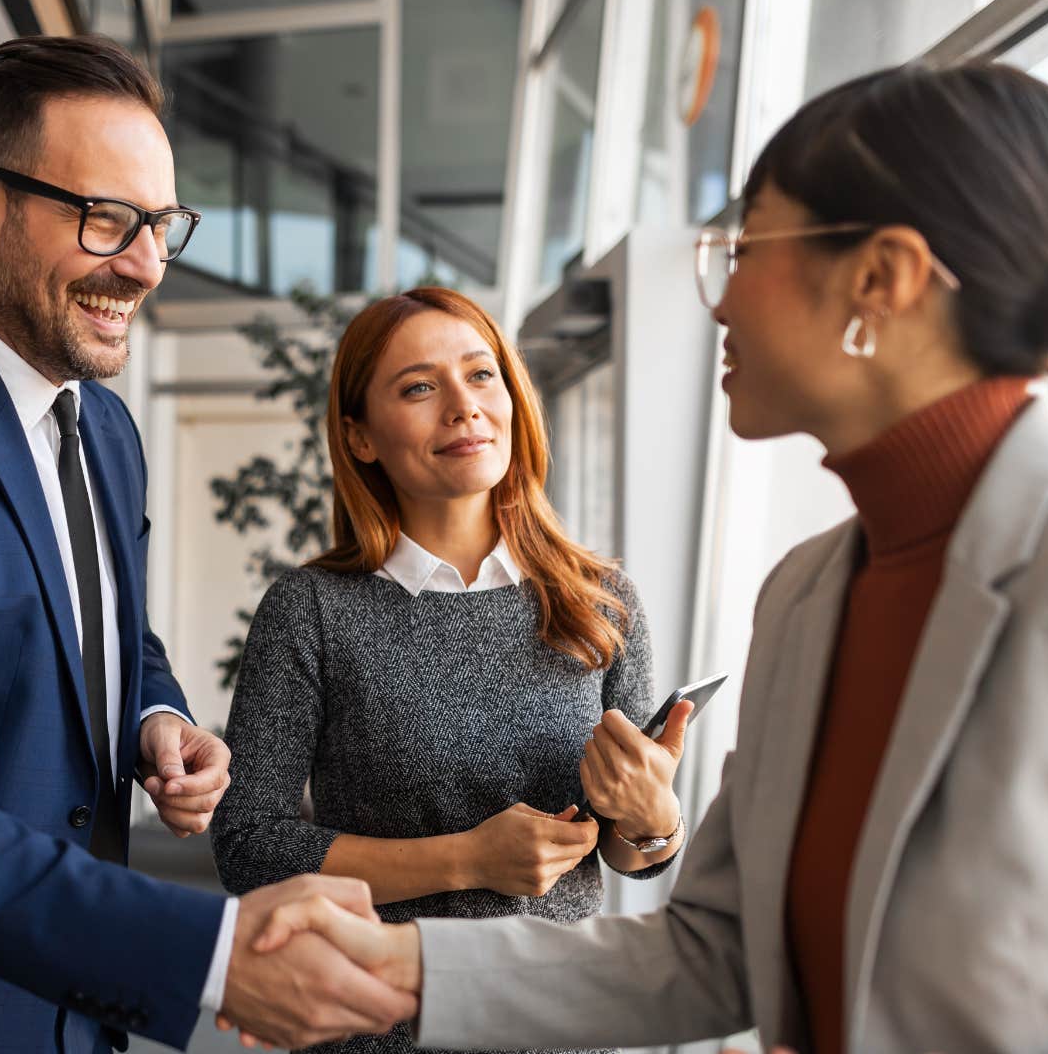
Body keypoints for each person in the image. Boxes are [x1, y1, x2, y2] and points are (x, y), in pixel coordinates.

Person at [243, 61, 1048, 1053]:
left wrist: (642, 826)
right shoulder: (803, 598)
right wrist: (401, 964)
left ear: (882, 278)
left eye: (745, 250)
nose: (719, 300)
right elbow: (723, 951)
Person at [0, 34, 416, 1054]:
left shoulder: (104, 431)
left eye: (160, 225)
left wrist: (156, 715)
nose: (146, 265)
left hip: (66, 1014)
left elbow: (104, 631)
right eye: (108, 220)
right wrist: (207, 956)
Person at [212, 286, 691, 1054]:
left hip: (564, 1024)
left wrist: (654, 818)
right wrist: (466, 859)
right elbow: (249, 849)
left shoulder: (603, 600)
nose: (463, 407)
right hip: (376, 1031)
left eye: (481, 375)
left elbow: (632, 856)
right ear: (360, 437)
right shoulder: (310, 611)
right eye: (419, 388)